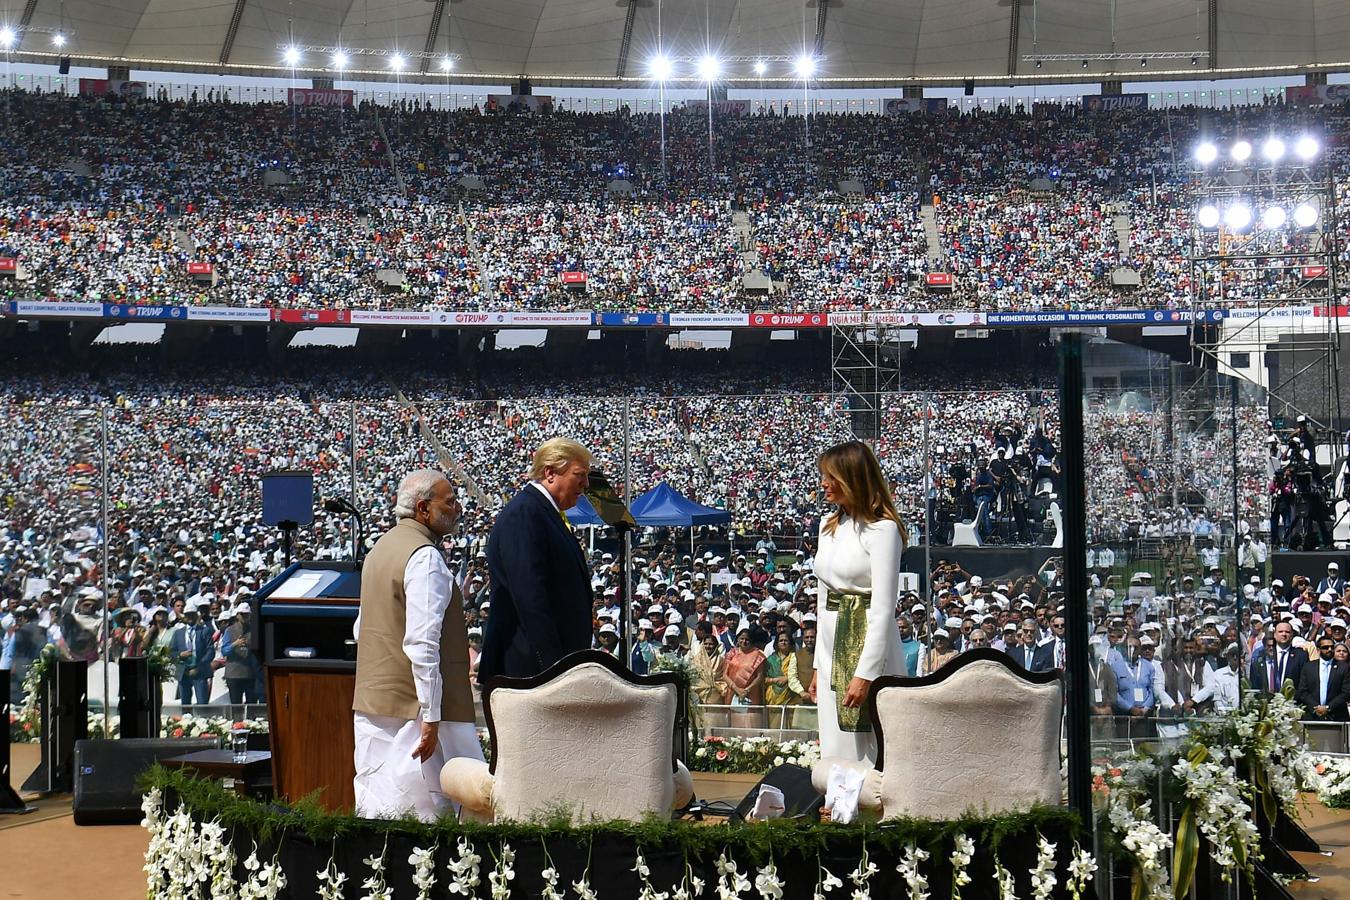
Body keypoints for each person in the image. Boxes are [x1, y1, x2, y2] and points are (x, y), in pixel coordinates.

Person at [352, 469, 482, 821]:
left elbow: (362, 628)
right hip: (416, 710)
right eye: (449, 501)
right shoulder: (423, 557)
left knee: (379, 806)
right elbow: (422, 644)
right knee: (427, 812)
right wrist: (430, 714)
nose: (456, 509)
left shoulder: (381, 548)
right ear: (424, 509)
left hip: (376, 702)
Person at [811, 440, 907, 763]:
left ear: (852, 479)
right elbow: (823, 594)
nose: (824, 483)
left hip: (866, 645)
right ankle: (839, 806)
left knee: (870, 743)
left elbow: (882, 609)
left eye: (831, 477)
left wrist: (864, 673)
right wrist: (816, 665)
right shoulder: (828, 526)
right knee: (833, 737)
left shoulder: (884, 530)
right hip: (829, 642)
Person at [478, 438, 594, 682]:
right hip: (529, 667)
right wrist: (554, 667)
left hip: (547, 665)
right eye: (579, 475)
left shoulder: (546, 512)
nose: (585, 484)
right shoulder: (525, 514)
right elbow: (530, 595)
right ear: (550, 473)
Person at [1296, 635, 1350, 722]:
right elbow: (1302, 691)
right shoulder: (1308, 667)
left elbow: (1346, 692)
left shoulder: (1343, 667)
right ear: (1318, 650)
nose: (1329, 650)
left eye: (1331, 647)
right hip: (1312, 716)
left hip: (1337, 716)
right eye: (1325, 647)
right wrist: (1316, 707)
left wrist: (1328, 708)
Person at [170, 605, 215, 705]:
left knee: (202, 703)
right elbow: (171, 652)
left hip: (199, 672)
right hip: (183, 672)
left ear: (196, 616)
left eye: (192, 615)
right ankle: (186, 720)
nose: (189, 617)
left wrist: (198, 667)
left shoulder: (204, 631)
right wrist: (180, 654)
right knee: (185, 704)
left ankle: (202, 720)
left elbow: (210, 651)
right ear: (184, 616)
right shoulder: (178, 633)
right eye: (187, 615)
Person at [220, 604, 261, 704]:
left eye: (247, 615)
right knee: (235, 706)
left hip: (250, 673)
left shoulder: (255, 630)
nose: (245, 617)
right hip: (233, 674)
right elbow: (224, 651)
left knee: (251, 705)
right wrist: (234, 644)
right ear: (237, 615)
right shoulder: (229, 630)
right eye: (242, 614)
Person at [763, 633, 795, 707]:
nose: (783, 642)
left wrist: (787, 679)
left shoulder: (795, 658)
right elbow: (763, 679)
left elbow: (800, 676)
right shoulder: (770, 660)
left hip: (790, 698)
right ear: (777, 643)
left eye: (786, 640)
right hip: (772, 698)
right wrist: (773, 680)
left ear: (790, 643)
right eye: (781, 640)